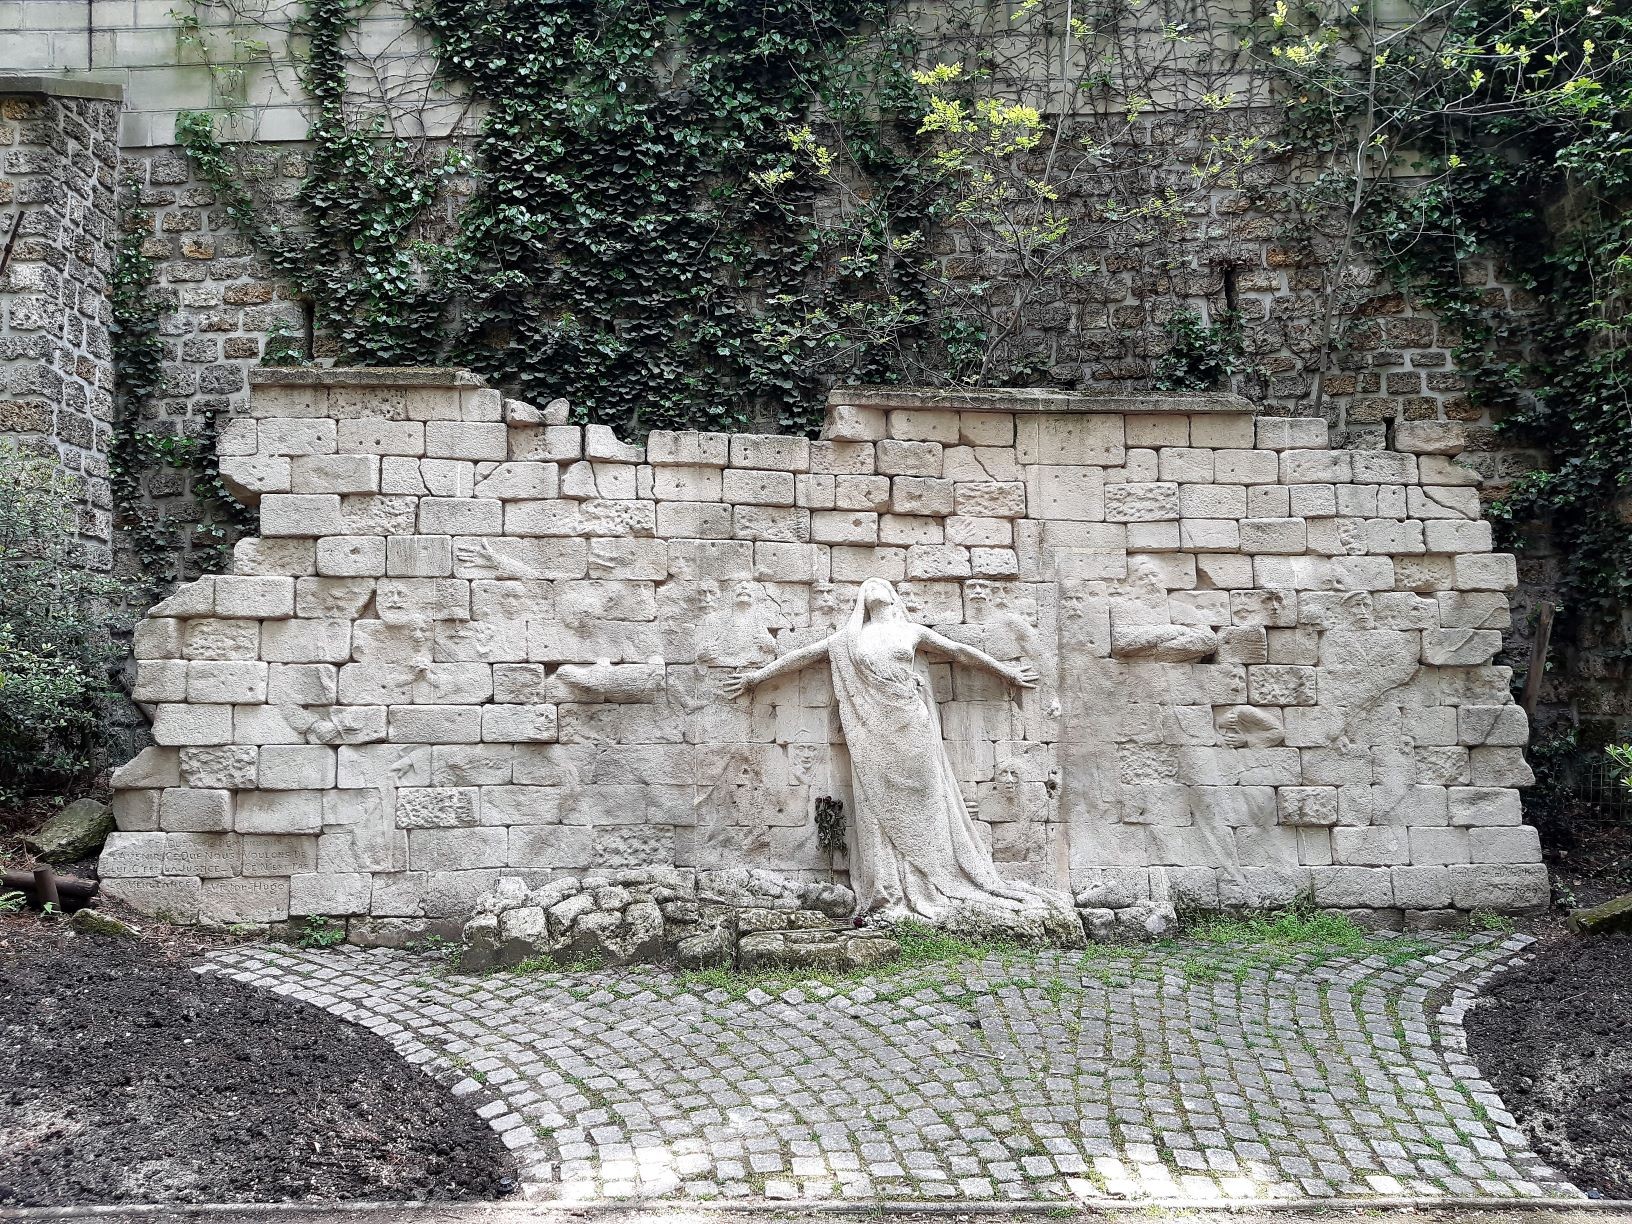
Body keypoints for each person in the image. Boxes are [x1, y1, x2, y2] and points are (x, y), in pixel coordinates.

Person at [722, 577, 1075, 930]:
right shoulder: (848, 639)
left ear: (892, 596)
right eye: (867, 586)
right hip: (870, 726)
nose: (873, 586)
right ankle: (889, 887)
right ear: (863, 600)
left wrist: (1007, 672)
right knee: (876, 803)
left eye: (881, 584)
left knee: (925, 798)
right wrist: (756, 677)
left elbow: (960, 651)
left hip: (911, 721)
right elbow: (802, 656)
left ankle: (932, 877)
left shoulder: (911, 631)